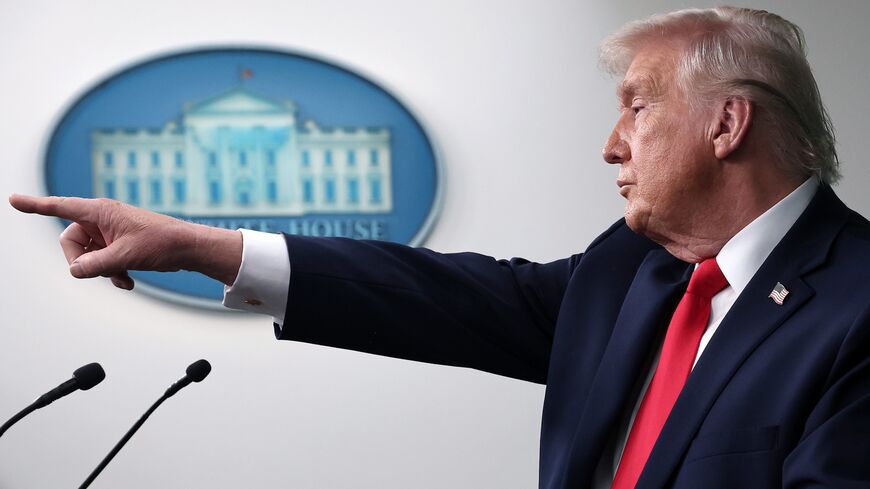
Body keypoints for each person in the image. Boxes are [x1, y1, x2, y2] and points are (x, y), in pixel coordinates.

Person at [10, 6, 870, 489]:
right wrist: (201, 247)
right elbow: (443, 297)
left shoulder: (858, 308)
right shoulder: (634, 270)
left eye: (637, 107)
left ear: (727, 123)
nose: (612, 145)